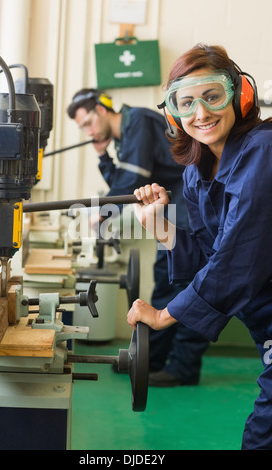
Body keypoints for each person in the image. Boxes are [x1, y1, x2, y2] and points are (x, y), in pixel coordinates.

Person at [127, 42, 272, 450]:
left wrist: (162, 317)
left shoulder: (264, 151)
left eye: (212, 96)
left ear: (240, 95)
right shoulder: (196, 172)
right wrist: (160, 225)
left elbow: (236, 263)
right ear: (173, 112)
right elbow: (208, 256)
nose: (201, 114)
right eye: (186, 102)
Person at [67, 89, 209, 386]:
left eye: (88, 122)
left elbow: (129, 182)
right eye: (83, 128)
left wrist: (103, 212)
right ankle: (151, 359)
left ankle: (183, 367)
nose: (89, 131)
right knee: (168, 282)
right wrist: (103, 155)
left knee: (189, 284)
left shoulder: (139, 122)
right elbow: (126, 187)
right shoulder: (126, 136)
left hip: (189, 205)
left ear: (103, 109)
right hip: (171, 208)